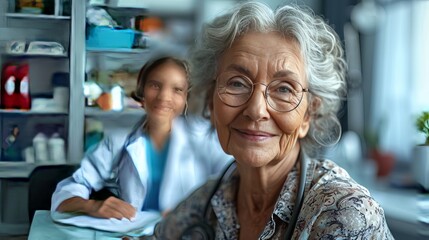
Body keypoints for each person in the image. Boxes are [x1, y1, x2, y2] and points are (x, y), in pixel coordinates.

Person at [148, 2, 394, 239]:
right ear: (211, 102)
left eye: (284, 89)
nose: (256, 110)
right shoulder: (203, 204)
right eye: (237, 83)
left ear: (308, 114)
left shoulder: (344, 214)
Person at [50, 56, 232, 223]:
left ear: (186, 99)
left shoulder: (203, 139)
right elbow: (72, 188)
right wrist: (92, 205)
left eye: (177, 90)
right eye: (155, 85)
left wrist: (197, 211)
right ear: (141, 92)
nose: (164, 97)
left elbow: (235, 184)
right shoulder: (119, 142)